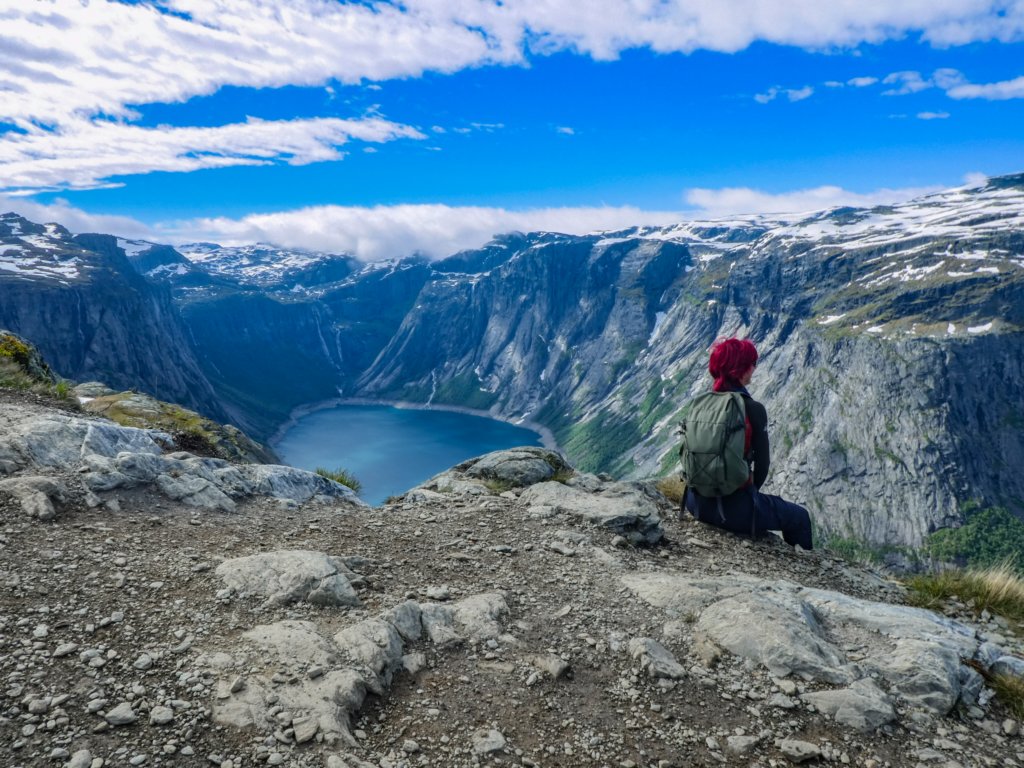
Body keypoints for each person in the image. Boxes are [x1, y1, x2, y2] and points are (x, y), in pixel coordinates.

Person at [684, 337, 814, 550]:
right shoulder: (752, 408)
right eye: (752, 363)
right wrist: (747, 496)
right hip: (732, 511)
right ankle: (808, 573)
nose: (754, 368)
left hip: (695, 503)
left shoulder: (702, 403)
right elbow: (762, 467)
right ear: (741, 369)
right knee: (799, 517)